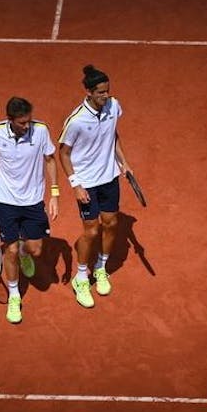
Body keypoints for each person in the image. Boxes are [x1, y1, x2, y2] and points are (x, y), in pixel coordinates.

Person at [0, 97, 60, 324]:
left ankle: (24, 252)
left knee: (35, 249)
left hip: (33, 201)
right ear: (10, 120)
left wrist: (54, 194)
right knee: (10, 250)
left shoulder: (40, 131)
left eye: (29, 121)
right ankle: (14, 295)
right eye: (22, 123)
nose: (27, 127)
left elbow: (50, 160)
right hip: (5, 201)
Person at [58, 65, 133, 308]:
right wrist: (75, 185)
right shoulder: (77, 120)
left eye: (107, 92)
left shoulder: (113, 106)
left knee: (111, 223)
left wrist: (124, 162)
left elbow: (114, 134)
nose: (105, 97)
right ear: (89, 92)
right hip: (87, 183)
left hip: (109, 177)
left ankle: (100, 268)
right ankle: (80, 278)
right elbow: (64, 154)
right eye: (100, 93)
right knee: (91, 231)